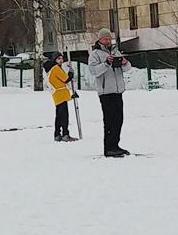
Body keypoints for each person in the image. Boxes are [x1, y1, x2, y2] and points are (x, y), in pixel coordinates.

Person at [87, 28, 131, 157]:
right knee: (110, 120)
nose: (108, 41)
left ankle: (115, 145)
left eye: (109, 39)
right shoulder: (95, 54)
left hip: (118, 91)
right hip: (106, 92)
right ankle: (109, 147)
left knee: (119, 119)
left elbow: (127, 68)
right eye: (105, 39)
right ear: (100, 40)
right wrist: (106, 63)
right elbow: (93, 71)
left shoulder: (116, 51)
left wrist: (124, 62)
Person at [44, 52, 78, 142]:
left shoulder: (52, 69)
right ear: (54, 60)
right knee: (64, 116)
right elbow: (66, 79)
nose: (61, 60)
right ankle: (65, 134)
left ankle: (57, 134)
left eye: (61, 58)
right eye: (58, 58)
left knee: (59, 116)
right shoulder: (56, 68)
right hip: (60, 94)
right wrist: (71, 73)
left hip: (58, 94)